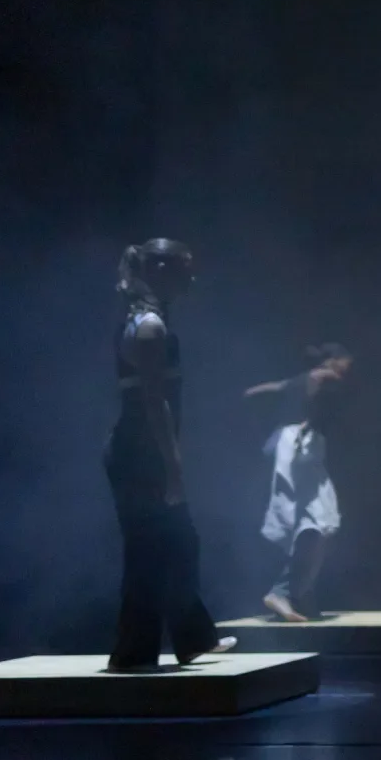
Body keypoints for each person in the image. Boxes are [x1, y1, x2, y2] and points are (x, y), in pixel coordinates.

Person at [105, 239, 236, 669]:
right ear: (160, 269)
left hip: (140, 452)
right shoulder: (149, 327)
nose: (191, 279)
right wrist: (173, 464)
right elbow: (154, 401)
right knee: (157, 546)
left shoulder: (149, 320)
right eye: (184, 269)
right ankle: (138, 650)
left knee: (170, 544)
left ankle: (185, 639)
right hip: (140, 453)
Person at [244, 344, 353, 621]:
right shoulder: (325, 377)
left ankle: (300, 593)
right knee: (317, 520)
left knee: (315, 524)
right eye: (345, 363)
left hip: (291, 446)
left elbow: (263, 390)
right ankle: (285, 591)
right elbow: (318, 395)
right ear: (333, 361)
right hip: (300, 449)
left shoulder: (296, 380)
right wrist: (308, 422)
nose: (347, 369)